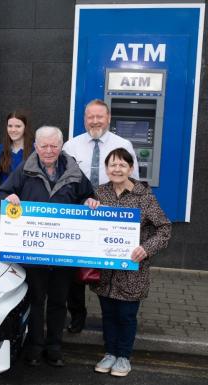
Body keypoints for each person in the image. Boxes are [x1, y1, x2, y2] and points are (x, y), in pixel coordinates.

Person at [0, 126, 96, 367]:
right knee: (36, 301)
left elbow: (87, 196)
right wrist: (7, 200)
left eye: (54, 146)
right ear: (36, 147)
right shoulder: (25, 171)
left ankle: (54, 348)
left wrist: (90, 201)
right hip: (33, 253)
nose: (49, 151)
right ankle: (35, 347)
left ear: (61, 147)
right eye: (44, 146)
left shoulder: (73, 171)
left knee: (59, 302)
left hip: (63, 255)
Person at [91, 148, 170, 377]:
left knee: (125, 316)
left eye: (122, 165)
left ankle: (123, 356)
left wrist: (146, 249)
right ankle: (109, 353)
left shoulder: (144, 197)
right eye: (112, 165)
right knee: (108, 315)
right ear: (107, 169)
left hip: (133, 270)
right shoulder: (100, 193)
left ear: (131, 168)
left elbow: (165, 228)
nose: (117, 169)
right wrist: (89, 207)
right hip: (106, 272)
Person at [62, 99, 138, 334]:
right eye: (90, 117)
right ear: (84, 119)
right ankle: (77, 314)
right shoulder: (71, 146)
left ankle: (111, 319)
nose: (94, 121)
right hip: (80, 215)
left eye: (99, 116)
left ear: (108, 117)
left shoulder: (122, 144)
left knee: (109, 270)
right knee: (74, 270)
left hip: (110, 217)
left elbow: (133, 179)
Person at [0, 111, 33, 184]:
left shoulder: (34, 150)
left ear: (25, 127)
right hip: (6, 193)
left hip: (27, 194)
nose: (13, 130)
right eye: (10, 126)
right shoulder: (1, 149)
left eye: (18, 126)